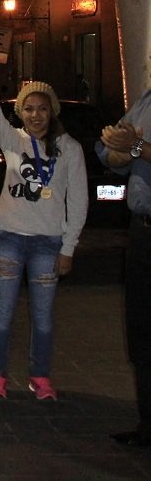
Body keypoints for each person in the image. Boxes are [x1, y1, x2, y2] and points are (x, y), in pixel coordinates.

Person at [0, 35, 87, 401]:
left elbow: (78, 202)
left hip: (48, 242)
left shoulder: (70, 150)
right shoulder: (12, 140)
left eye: (43, 109)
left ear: (53, 112)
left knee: (44, 317)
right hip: (9, 237)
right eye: (29, 108)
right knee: (2, 314)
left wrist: (69, 247)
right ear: (21, 111)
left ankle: (40, 376)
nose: (36, 115)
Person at [97, 89, 151, 447]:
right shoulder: (147, 99)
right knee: (142, 332)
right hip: (143, 231)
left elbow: (132, 148)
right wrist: (116, 147)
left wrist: (135, 148)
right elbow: (107, 152)